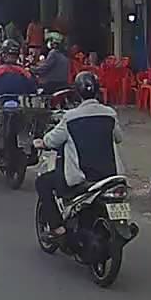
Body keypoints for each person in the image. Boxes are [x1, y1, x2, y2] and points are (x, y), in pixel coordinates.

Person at [35, 71, 124, 237]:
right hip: (111, 175)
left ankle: (56, 227)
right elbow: (118, 138)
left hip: (82, 177)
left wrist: (42, 142)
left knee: (43, 182)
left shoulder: (70, 117)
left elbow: (51, 140)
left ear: (77, 93)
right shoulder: (110, 114)